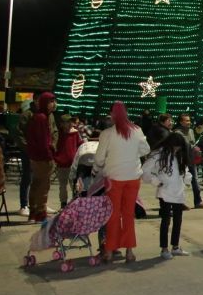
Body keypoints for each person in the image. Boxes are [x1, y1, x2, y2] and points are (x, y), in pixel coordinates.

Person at [94, 102, 151, 263]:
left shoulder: (106, 134)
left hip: (114, 179)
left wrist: (97, 168)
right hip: (133, 178)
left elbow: (98, 159)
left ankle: (110, 251)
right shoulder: (137, 130)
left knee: (113, 215)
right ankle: (129, 251)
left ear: (112, 115)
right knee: (128, 214)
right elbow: (146, 150)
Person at [142, 132, 192, 259]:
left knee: (178, 220)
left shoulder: (180, 154)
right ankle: (164, 249)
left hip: (178, 192)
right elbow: (145, 170)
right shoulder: (159, 154)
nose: (176, 149)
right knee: (165, 221)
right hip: (164, 192)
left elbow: (185, 170)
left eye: (179, 147)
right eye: (175, 146)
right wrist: (156, 182)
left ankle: (175, 246)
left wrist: (187, 181)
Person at [26, 92, 59, 222]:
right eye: (51, 102)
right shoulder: (42, 118)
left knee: (36, 184)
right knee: (43, 186)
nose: (53, 104)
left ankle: (33, 212)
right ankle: (40, 213)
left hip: (36, 157)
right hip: (43, 158)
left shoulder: (39, 116)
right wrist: (49, 154)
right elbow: (43, 141)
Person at [174, 113, 203, 210]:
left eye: (189, 120)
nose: (189, 122)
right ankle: (179, 203)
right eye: (186, 120)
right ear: (181, 122)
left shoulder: (191, 131)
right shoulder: (177, 133)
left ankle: (198, 201)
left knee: (195, 181)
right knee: (180, 182)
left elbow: (192, 144)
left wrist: (196, 149)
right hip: (181, 161)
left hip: (191, 160)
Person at [53, 114, 83, 208]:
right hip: (61, 164)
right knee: (62, 185)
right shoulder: (58, 134)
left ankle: (75, 202)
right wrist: (56, 158)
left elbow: (80, 145)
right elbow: (55, 146)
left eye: (71, 121)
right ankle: (63, 203)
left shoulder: (75, 133)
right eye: (67, 122)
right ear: (62, 124)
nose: (70, 124)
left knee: (74, 185)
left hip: (73, 164)